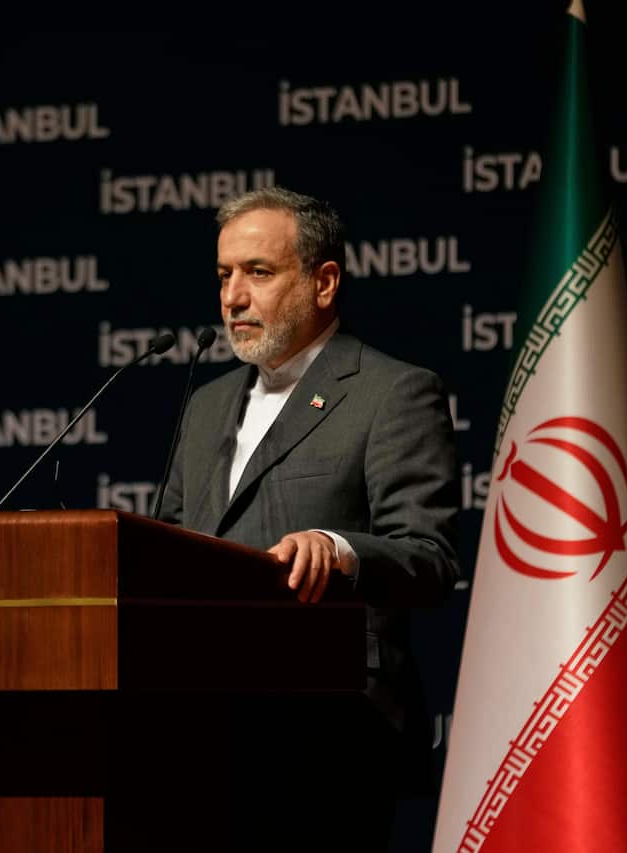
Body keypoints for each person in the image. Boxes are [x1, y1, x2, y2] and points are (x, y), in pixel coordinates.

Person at [156, 186, 460, 850]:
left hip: (331, 734)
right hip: (201, 734)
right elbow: (174, 545)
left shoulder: (393, 392)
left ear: (323, 282)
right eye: (224, 275)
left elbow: (431, 558)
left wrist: (340, 548)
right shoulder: (207, 404)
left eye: (258, 272)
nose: (233, 295)